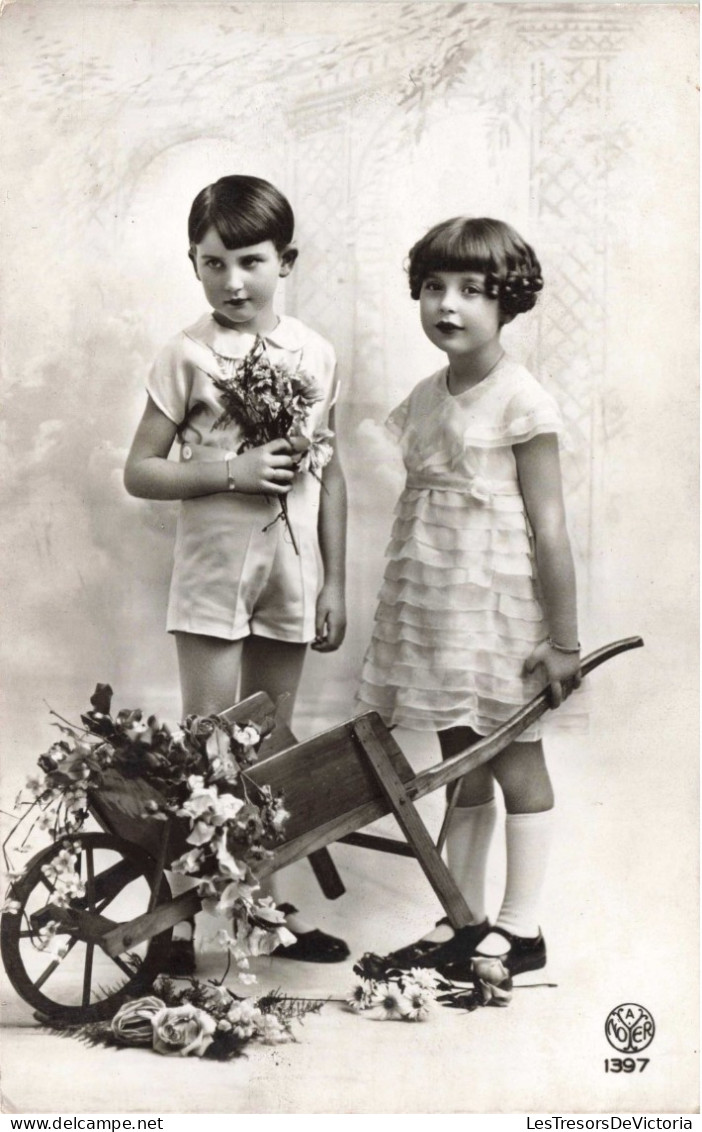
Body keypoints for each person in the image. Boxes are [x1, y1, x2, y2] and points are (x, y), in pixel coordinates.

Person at [124, 174, 349, 971]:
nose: (233, 281)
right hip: (214, 573)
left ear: (284, 261)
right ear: (193, 263)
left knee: (267, 752)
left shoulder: (314, 352)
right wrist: (232, 470)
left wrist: (335, 582)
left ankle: (263, 914)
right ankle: (176, 924)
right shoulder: (186, 354)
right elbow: (141, 472)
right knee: (207, 746)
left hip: (290, 572)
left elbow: (330, 472)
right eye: (213, 263)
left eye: (250, 261)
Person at [357, 217, 581, 979]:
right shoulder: (425, 396)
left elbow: (550, 529)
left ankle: (522, 928)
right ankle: (464, 917)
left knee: (514, 760)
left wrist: (565, 641)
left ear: (506, 300)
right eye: (433, 287)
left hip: (502, 612)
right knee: (461, 760)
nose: (447, 305)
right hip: (441, 609)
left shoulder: (521, 399)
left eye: (470, 291)